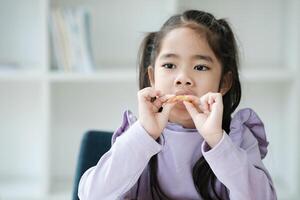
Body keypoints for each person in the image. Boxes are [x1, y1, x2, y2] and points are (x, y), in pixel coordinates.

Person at [78, 10, 277, 200]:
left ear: (224, 83)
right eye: (169, 65)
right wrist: (145, 134)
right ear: (152, 78)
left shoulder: (237, 137)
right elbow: (91, 195)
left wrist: (217, 141)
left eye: (200, 67)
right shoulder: (137, 135)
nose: (183, 79)